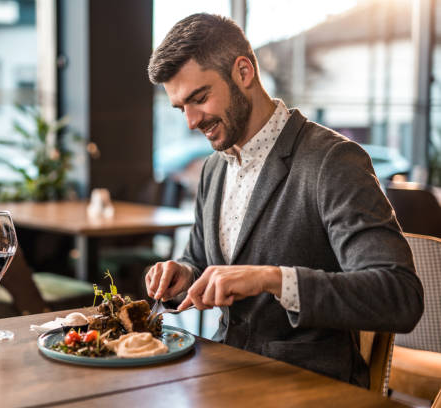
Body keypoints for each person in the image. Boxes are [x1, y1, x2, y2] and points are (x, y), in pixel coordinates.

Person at [145, 13, 423, 388]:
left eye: (199, 98)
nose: (191, 121)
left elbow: (398, 295)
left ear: (243, 72)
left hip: (308, 386)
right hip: (223, 375)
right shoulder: (213, 168)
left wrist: (272, 279)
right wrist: (184, 274)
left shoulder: (333, 161)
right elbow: (198, 260)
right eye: (181, 108)